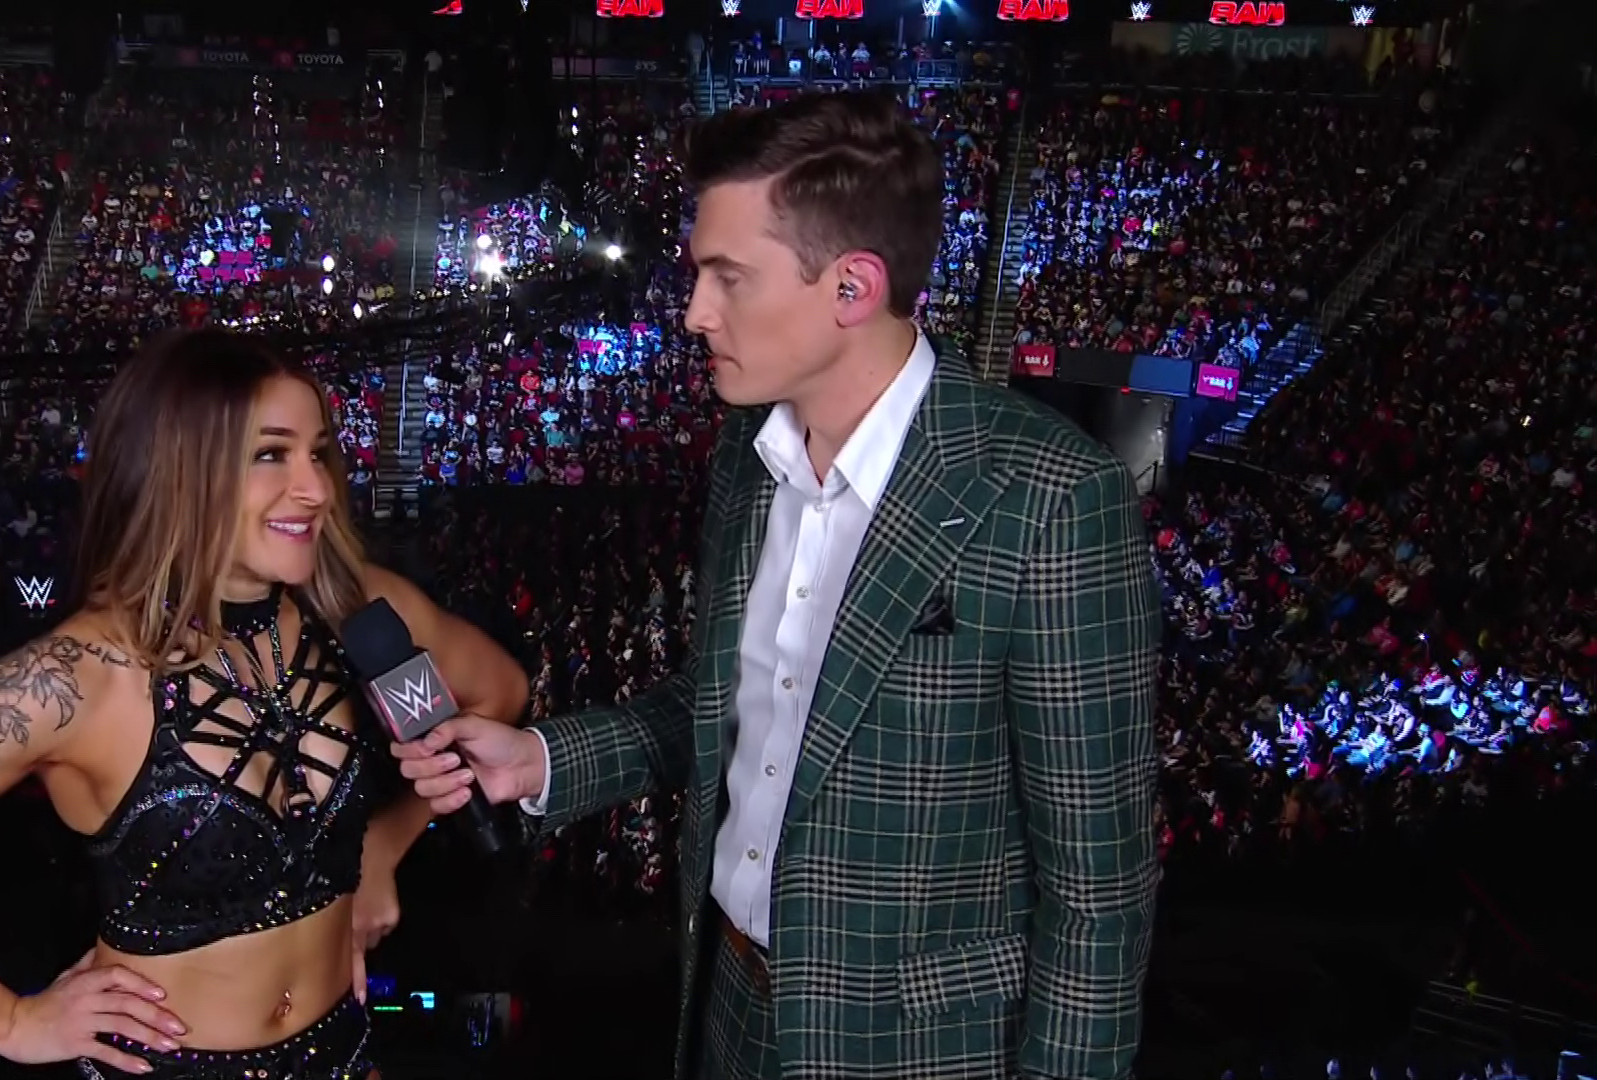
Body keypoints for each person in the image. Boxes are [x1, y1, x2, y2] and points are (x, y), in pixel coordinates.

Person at [394, 90, 1161, 1080]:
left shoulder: (1051, 497)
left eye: (729, 277)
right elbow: (727, 704)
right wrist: (539, 760)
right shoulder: (746, 457)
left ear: (852, 287)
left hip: (920, 1053)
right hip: (727, 1005)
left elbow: (1097, 894)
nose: (694, 312)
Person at [0, 330, 527, 1080]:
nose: (317, 489)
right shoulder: (75, 679)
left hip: (344, 1055)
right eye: (270, 454)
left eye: (318, 452)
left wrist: (386, 844)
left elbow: (499, 692)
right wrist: (11, 1022)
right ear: (179, 469)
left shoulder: (355, 607)